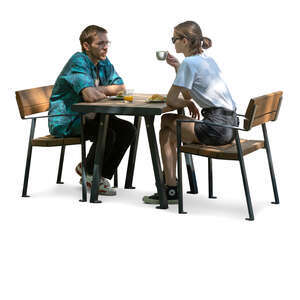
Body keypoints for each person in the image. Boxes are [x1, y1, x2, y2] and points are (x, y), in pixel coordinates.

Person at [143, 21, 238, 204]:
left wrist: (186, 101)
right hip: (231, 126)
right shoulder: (206, 59)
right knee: (169, 128)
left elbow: (171, 100)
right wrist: (177, 68)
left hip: (216, 129)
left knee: (166, 121)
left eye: (174, 39)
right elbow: (188, 92)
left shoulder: (189, 63)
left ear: (185, 41)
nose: (173, 43)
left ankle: (170, 188)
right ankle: (170, 187)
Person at [48, 25, 136, 196]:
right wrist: (102, 90)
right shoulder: (78, 61)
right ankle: (91, 174)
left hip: (91, 116)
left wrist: (99, 89)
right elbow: (90, 96)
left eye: (107, 43)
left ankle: (95, 173)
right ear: (86, 46)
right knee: (107, 133)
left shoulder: (103, 61)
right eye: (100, 43)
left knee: (128, 130)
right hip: (67, 120)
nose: (105, 47)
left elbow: (121, 87)